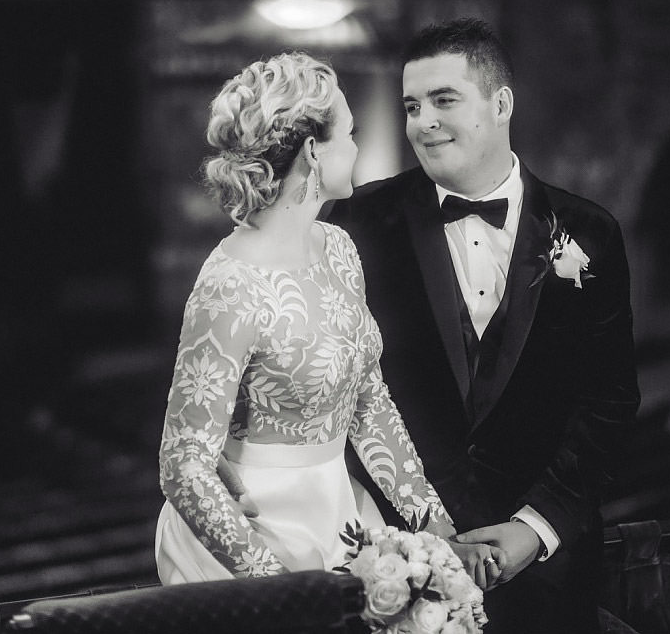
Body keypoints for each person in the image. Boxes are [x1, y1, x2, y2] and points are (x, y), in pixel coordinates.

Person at [328, 19, 640, 633]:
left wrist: (537, 527)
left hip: (547, 571)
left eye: (445, 100)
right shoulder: (356, 226)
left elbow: (611, 401)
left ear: (501, 104)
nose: (423, 122)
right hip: (400, 571)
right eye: (412, 106)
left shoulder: (590, 232)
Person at [154, 52, 501, 584]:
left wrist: (435, 527)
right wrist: (280, 590)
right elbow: (183, 466)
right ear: (314, 152)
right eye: (350, 132)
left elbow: (369, 400)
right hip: (252, 540)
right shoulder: (230, 287)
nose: (359, 146)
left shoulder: (338, 248)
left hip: (339, 515)